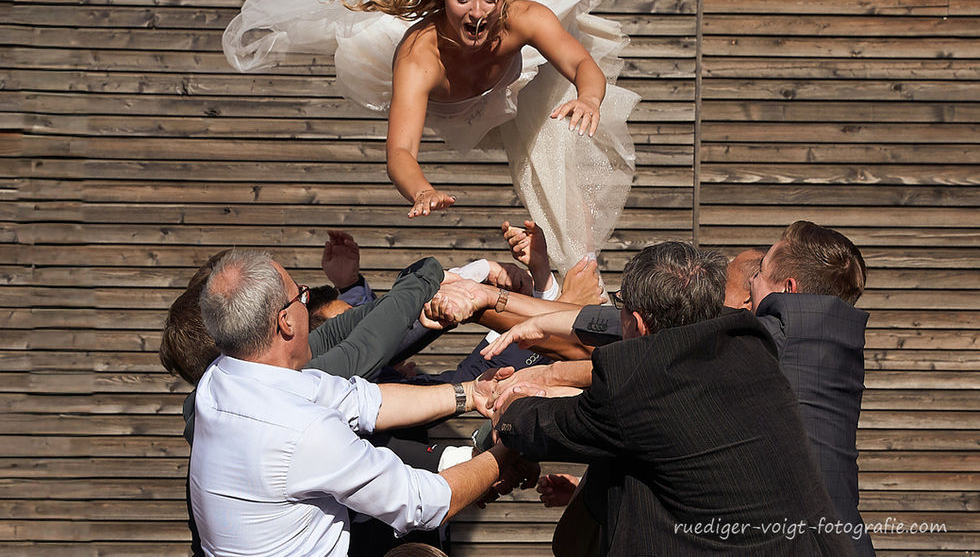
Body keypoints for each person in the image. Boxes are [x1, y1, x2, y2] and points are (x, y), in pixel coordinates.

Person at [221, 0, 639, 276]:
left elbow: (582, 66)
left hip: (513, 83)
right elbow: (400, 150)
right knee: (363, 30)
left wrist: (589, 98)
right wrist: (421, 189)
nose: (477, 14)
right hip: (429, 80)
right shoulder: (418, 56)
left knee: (558, 149)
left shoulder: (525, 17)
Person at [490, 241, 856, 556]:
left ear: (639, 323)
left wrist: (509, 404)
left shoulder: (640, 383)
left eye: (621, 306)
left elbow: (551, 425)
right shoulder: (749, 347)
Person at [190, 248, 518, 557]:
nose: (307, 304)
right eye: (302, 297)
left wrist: (470, 394)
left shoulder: (220, 380)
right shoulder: (303, 432)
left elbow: (364, 401)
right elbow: (422, 502)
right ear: (285, 322)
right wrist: (507, 454)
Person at [749, 221, 875, 557]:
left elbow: (672, 334)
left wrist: (591, 318)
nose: (751, 281)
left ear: (789, 288)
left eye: (760, 273)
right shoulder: (841, 341)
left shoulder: (779, 335)